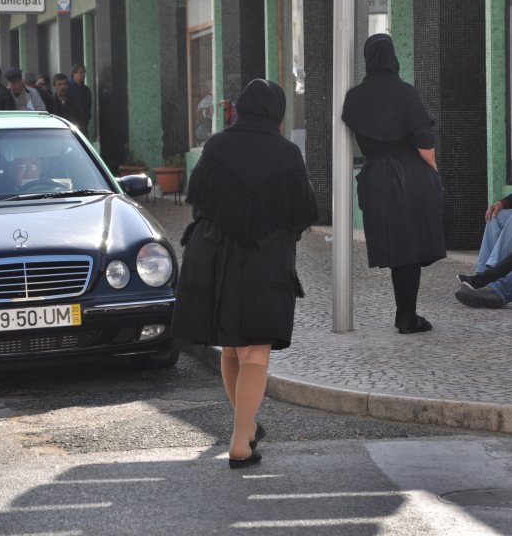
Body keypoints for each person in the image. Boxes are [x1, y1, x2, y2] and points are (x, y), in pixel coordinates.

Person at [171, 79, 318, 469]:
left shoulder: (218, 145)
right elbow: (303, 213)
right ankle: (241, 439)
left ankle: (247, 425)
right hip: (264, 258)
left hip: (214, 256)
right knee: (256, 351)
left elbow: (197, 197)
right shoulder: (286, 153)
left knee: (232, 346)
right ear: (276, 112)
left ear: (242, 108)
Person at [342, 33, 446, 334]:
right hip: (409, 174)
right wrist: (433, 174)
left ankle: (406, 315)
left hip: (374, 178)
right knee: (410, 248)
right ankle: (407, 317)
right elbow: (424, 141)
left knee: (396, 247)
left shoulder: (354, 97)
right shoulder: (405, 92)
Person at [68, 63, 92, 136]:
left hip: (83, 124)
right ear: (74, 74)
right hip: (71, 123)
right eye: (81, 72)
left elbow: (88, 105)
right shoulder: (68, 88)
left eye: (84, 72)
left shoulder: (86, 90)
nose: (83, 75)